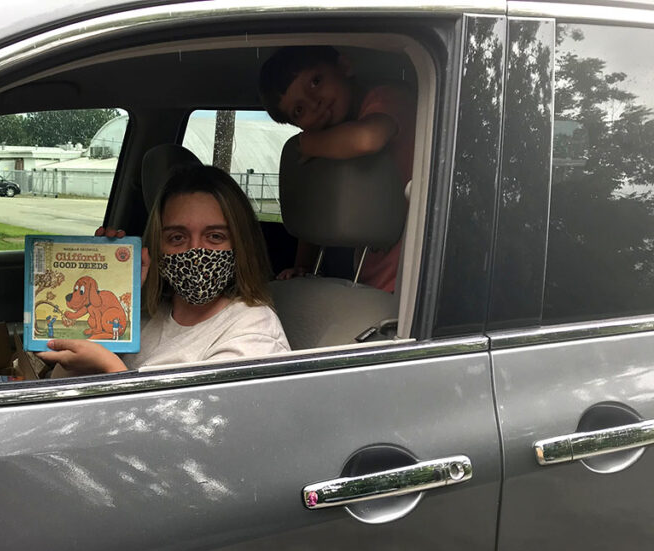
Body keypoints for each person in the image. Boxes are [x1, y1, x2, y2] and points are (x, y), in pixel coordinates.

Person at [37, 164, 289, 374]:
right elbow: (63, 387)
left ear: (241, 244)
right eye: (177, 238)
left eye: (215, 236)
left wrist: (108, 367)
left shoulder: (254, 332)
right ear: (158, 246)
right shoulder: (144, 314)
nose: (195, 253)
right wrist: (113, 283)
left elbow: (204, 419)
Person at [259, 45, 416, 292]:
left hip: (412, 280)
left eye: (315, 82)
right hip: (374, 279)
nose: (314, 103)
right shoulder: (334, 143)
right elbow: (317, 209)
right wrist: (303, 268)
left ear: (344, 66)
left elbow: (367, 139)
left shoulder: (388, 98)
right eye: (299, 110)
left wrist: (308, 143)